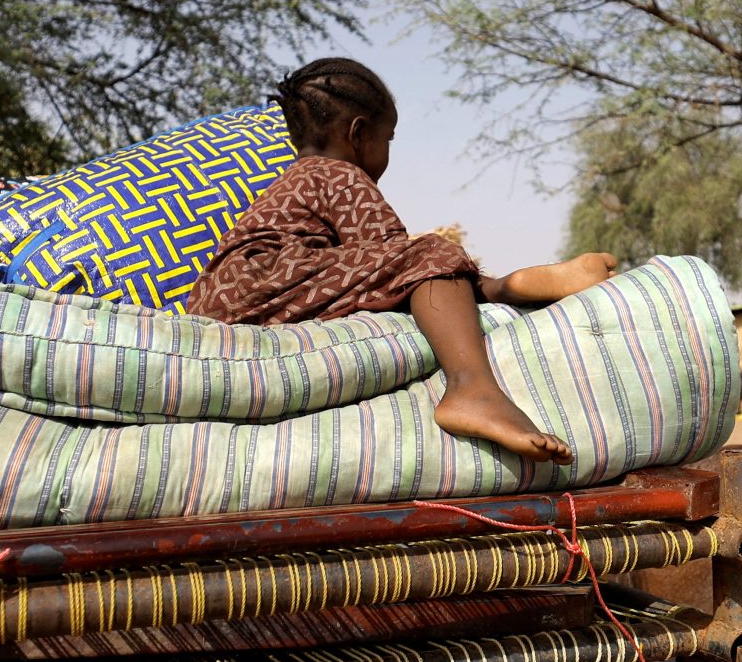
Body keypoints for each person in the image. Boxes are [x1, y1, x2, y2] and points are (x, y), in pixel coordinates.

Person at [186, 59, 616, 463]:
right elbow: (397, 255)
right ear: (358, 134)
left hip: (231, 294)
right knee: (430, 252)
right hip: (263, 282)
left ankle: (499, 286)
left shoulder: (294, 178)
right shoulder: (340, 173)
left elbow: (371, 268)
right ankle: (474, 387)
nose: (389, 153)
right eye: (388, 138)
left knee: (422, 261)